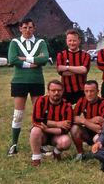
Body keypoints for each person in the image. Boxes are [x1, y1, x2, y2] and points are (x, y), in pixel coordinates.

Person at [7, 18, 49, 156]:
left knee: (39, 114)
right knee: (18, 114)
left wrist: (23, 59)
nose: (27, 30)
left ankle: (40, 144)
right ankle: (14, 144)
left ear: (34, 28)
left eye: (30, 27)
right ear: (20, 28)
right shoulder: (15, 42)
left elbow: (44, 59)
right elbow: (12, 59)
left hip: (37, 81)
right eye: (24, 27)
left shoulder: (40, 42)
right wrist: (32, 62)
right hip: (19, 81)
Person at [29, 80, 73, 166]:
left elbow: (66, 129)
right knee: (35, 130)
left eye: (59, 90)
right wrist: (57, 124)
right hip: (42, 134)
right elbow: (37, 120)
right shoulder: (41, 100)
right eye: (53, 90)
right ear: (48, 91)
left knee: (66, 141)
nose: (56, 93)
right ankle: (36, 158)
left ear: (63, 91)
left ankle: (56, 153)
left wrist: (47, 129)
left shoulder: (67, 105)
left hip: (56, 135)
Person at [71, 80, 104, 161]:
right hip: (88, 131)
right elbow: (71, 118)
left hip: (100, 135)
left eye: (92, 91)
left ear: (98, 91)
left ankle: (100, 153)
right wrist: (87, 121)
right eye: (86, 91)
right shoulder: (82, 100)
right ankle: (80, 153)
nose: (89, 94)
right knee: (74, 128)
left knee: (97, 138)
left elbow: (99, 128)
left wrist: (82, 120)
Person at [56, 29, 91, 104]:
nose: (72, 43)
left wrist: (67, 67)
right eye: (70, 40)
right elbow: (61, 72)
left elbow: (84, 70)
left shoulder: (86, 55)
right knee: (66, 113)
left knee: (81, 113)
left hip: (81, 90)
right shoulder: (61, 55)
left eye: (74, 41)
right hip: (65, 90)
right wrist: (78, 69)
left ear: (79, 41)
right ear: (66, 41)